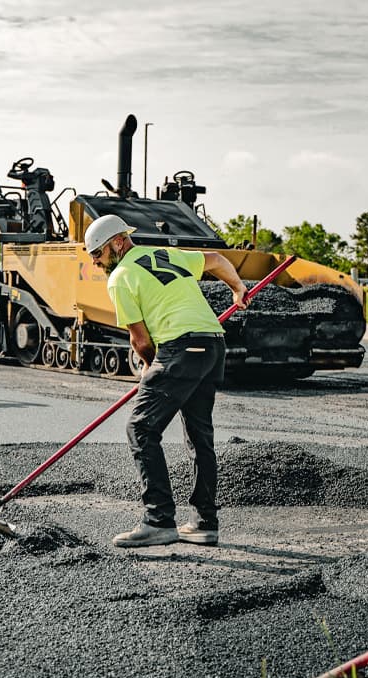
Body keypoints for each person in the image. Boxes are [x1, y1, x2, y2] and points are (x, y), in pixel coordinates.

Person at [85, 214, 248, 548]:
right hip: (212, 344)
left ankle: (158, 520)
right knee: (199, 434)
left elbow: (141, 340)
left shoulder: (121, 277)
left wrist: (148, 366)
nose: (96, 262)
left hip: (181, 347)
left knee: (141, 429)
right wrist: (237, 288)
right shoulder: (167, 254)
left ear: (118, 242)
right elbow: (216, 260)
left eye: (98, 254)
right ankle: (205, 523)